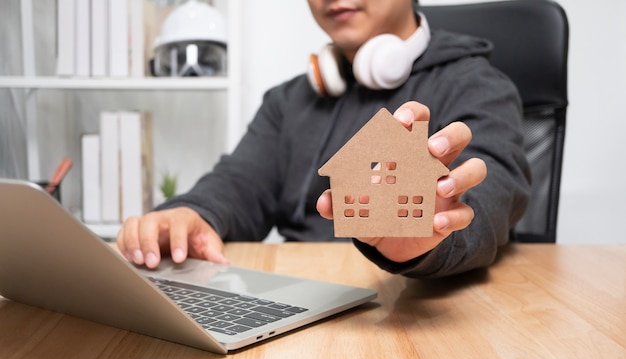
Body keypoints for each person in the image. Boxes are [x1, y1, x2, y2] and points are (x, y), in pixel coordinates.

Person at [117, 0, 531, 279]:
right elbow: (239, 181)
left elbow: (492, 196)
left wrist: (428, 239)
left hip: (414, 311)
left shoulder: (477, 85)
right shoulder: (289, 100)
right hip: (302, 308)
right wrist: (192, 214)